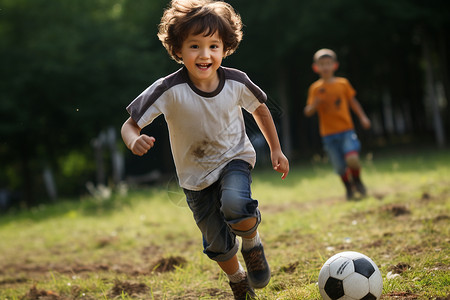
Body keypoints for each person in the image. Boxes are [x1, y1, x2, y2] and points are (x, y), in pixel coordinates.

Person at [121, 1, 289, 299]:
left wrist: (276, 149)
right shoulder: (167, 89)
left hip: (233, 159)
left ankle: (252, 244)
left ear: (225, 48)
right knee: (217, 245)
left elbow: (260, 109)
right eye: (194, 46)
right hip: (194, 179)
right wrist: (134, 140)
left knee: (237, 206)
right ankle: (238, 280)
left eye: (213, 46)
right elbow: (130, 124)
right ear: (178, 50)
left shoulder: (236, 81)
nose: (205, 54)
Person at [304, 48, 371, 200]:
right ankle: (349, 188)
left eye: (328, 63)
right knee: (340, 167)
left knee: (352, 159)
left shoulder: (343, 83)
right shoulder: (315, 89)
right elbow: (308, 111)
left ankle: (358, 181)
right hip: (328, 134)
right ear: (316, 68)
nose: (325, 67)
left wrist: (363, 117)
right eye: (322, 64)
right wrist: (315, 104)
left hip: (346, 130)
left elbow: (353, 101)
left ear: (335, 65)